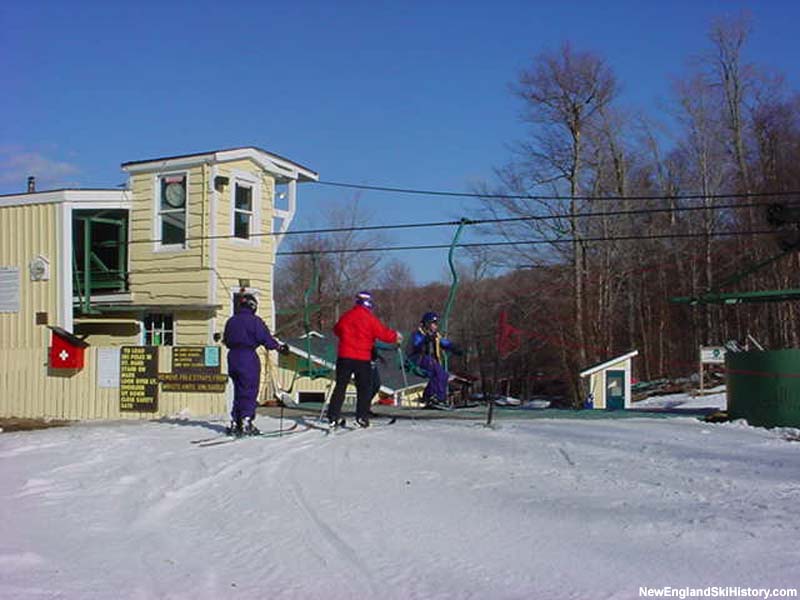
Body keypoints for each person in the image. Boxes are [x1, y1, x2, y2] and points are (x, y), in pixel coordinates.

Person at [327, 291, 402, 428]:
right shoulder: (369, 319)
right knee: (364, 388)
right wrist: (395, 336)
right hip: (362, 358)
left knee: (340, 387)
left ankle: (333, 416)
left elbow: (337, 330)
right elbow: (383, 333)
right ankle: (361, 417)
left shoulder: (347, 316)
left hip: (345, 356)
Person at [223, 292, 289, 436]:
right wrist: (279, 347)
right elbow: (265, 339)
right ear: (253, 306)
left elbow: (226, 340)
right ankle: (246, 420)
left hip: (232, 356)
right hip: (247, 356)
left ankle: (236, 420)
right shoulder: (254, 321)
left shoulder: (231, 321)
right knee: (249, 389)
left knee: (238, 390)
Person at [407, 311, 461, 408]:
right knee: (438, 372)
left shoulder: (435, 335)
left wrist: (454, 348)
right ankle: (439, 398)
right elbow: (416, 345)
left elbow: (444, 342)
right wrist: (425, 340)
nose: (436, 326)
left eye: (436, 324)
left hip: (430, 361)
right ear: (427, 324)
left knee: (443, 375)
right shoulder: (418, 334)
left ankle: (429, 395)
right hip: (419, 359)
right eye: (433, 323)